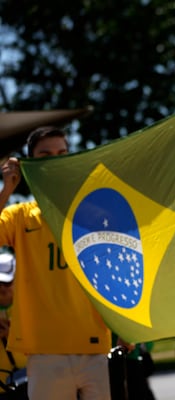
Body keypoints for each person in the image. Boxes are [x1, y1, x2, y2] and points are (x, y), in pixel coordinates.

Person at [0, 126, 112, 400]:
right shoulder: (21, 216)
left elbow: (112, 277)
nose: (55, 159)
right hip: (44, 353)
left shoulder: (95, 214)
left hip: (95, 348)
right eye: (45, 154)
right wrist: (7, 189)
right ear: (30, 163)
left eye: (62, 153)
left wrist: (126, 329)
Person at [0, 252, 27, 399]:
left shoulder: (29, 306)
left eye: (7, 282)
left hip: (30, 381)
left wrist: (14, 332)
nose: (2, 288)